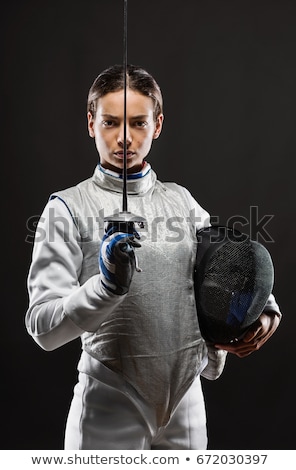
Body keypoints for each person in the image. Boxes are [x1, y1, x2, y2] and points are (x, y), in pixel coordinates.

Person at [25, 64, 281, 450]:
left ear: (158, 125)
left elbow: (227, 263)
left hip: (185, 401)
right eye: (111, 122)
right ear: (91, 123)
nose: (124, 138)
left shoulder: (180, 200)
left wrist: (261, 312)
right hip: (111, 400)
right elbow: (43, 328)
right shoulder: (67, 208)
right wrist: (106, 286)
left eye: (138, 123)